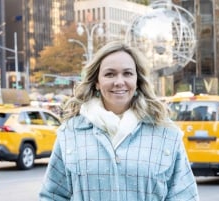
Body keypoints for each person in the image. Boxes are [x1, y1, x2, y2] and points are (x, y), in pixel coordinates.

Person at [39, 41, 199, 201]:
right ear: (96, 82)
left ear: (137, 80)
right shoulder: (70, 132)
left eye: (127, 73)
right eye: (110, 74)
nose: (119, 82)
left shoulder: (166, 133)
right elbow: (52, 195)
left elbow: (185, 197)